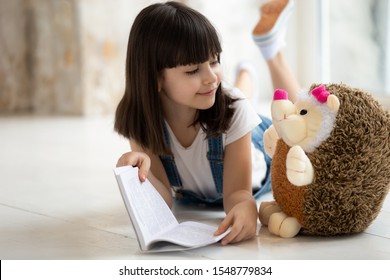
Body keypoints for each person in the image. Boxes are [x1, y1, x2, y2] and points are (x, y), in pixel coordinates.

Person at [114, 0, 299, 245]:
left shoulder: (235, 110)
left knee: (296, 122)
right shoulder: (142, 120)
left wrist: (246, 207)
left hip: (256, 146)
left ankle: (271, 50)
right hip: (221, 111)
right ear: (155, 78)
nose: (212, 77)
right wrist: (137, 175)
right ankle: (246, 76)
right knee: (231, 96)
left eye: (214, 61)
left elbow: (237, 194)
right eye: (193, 70)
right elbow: (165, 201)